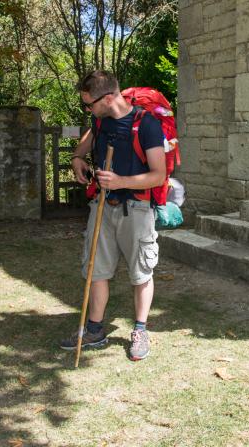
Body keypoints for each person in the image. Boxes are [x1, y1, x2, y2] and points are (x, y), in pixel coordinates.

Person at [59, 70, 166, 361]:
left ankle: (140, 330)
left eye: (88, 104)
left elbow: (159, 175)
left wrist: (120, 182)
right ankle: (94, 329)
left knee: (141, 272)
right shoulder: (98, 121)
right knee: (96, 268)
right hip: (103, 206)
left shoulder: (147, 126)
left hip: (137, 209)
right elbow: (85, 144)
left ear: (107, 98)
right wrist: (77, 159)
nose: (87, 110)